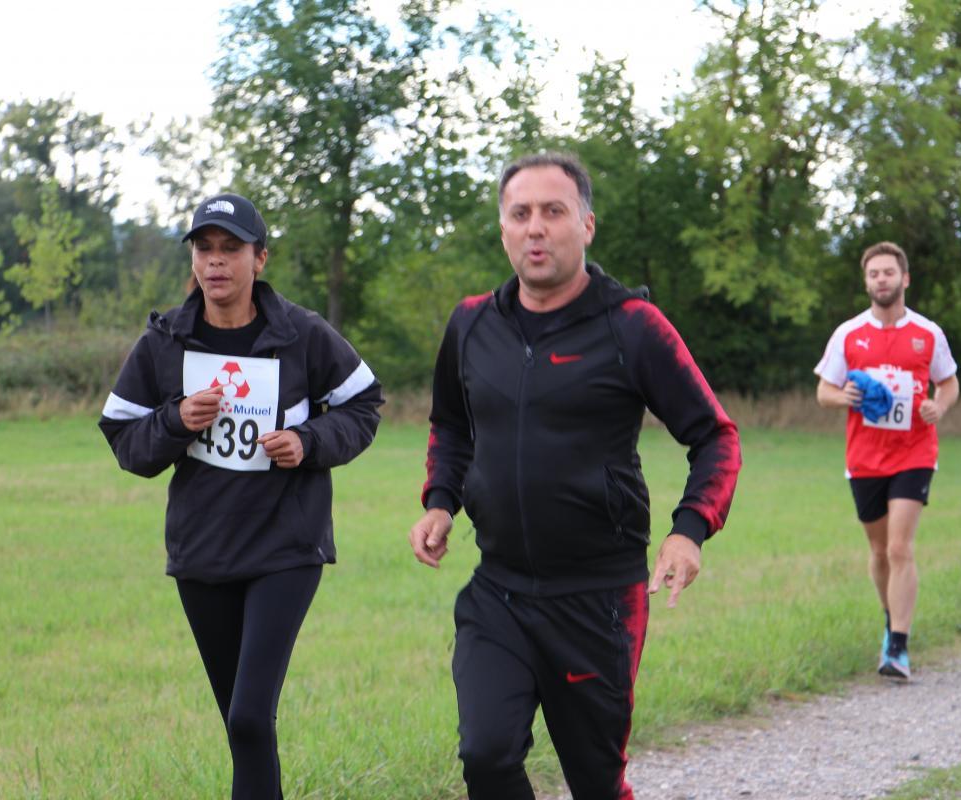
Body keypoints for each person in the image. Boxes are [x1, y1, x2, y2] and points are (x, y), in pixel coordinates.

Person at [408, 152, 742, 800]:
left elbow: (716, 436)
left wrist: (690, 530)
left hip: (599, 601)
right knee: (486, 756)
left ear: (586, 225)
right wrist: (441, 501)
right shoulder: (471, 323)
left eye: (553, 211)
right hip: (498, 591)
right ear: (503, 229)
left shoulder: (633, 327)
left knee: (596, 783)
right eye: (520, 214)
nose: (535, 227)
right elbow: (451, 424)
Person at [99, 193, 383, 797]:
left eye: (232, 249)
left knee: (251, 715)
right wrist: (175, 420)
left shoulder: (302, 334)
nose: (216, 261)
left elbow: (364, 404)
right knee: (243, 725)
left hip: (286, 546)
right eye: (204, 248)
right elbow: (125, 439)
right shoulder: (166, 342)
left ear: (260, 258)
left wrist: (308, 441)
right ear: (192, 259)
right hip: (202, 551)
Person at [814, 241, 959, 680]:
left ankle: (898, 646)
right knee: (879, 552)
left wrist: (939, 406)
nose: (882, 280)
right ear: (866, 282)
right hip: (864, 457)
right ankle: (890, 616)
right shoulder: (849, 334)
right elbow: (823, 391)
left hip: (915, 452)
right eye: (874, 274)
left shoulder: (928, 333)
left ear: (904, 278)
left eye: (888, 272)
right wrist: (844, 396)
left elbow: (949, 383)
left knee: (899, 547)